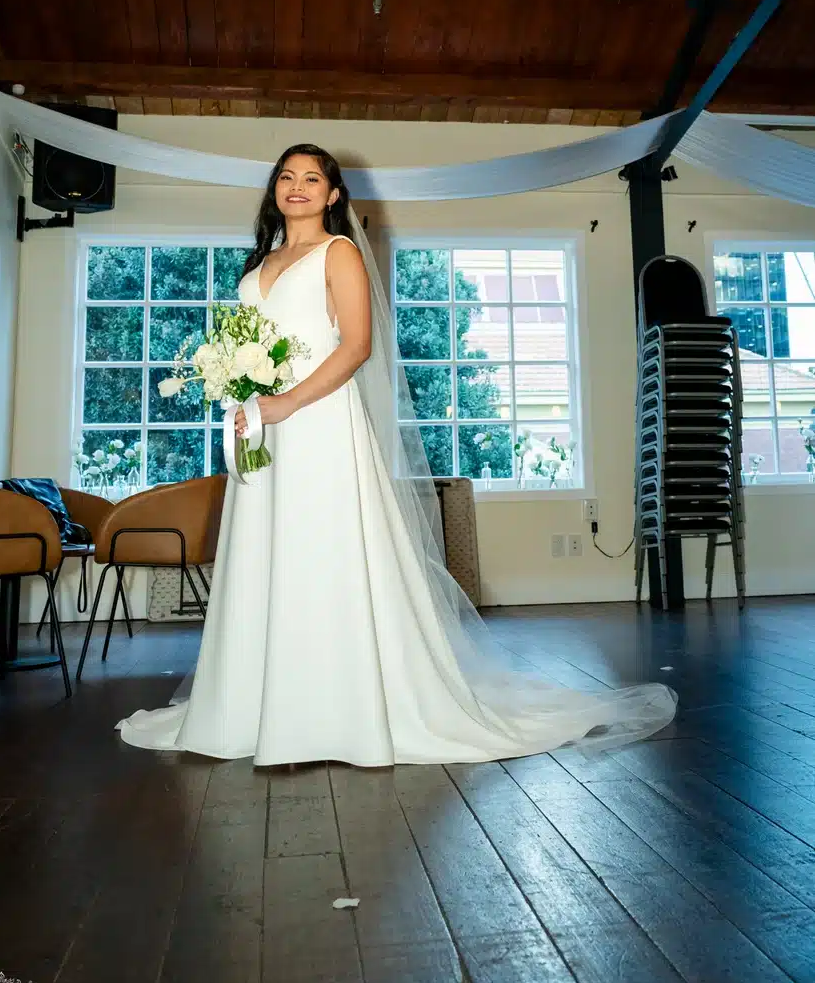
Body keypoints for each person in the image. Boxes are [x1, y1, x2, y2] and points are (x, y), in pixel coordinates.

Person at [117, 143, 677, 766]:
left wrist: (284, 402)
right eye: (286, 176)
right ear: (275, 189)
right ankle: (254, 703)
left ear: (333, 195)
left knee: (322, 550)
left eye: (311, 178)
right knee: (266, 553)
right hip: (264, 427)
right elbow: (252, 343)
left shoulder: (340, 252)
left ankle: (334, 712)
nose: (296, 186)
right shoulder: (258, 265)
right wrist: (242, 390)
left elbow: (355, 347)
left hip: (318, 420)